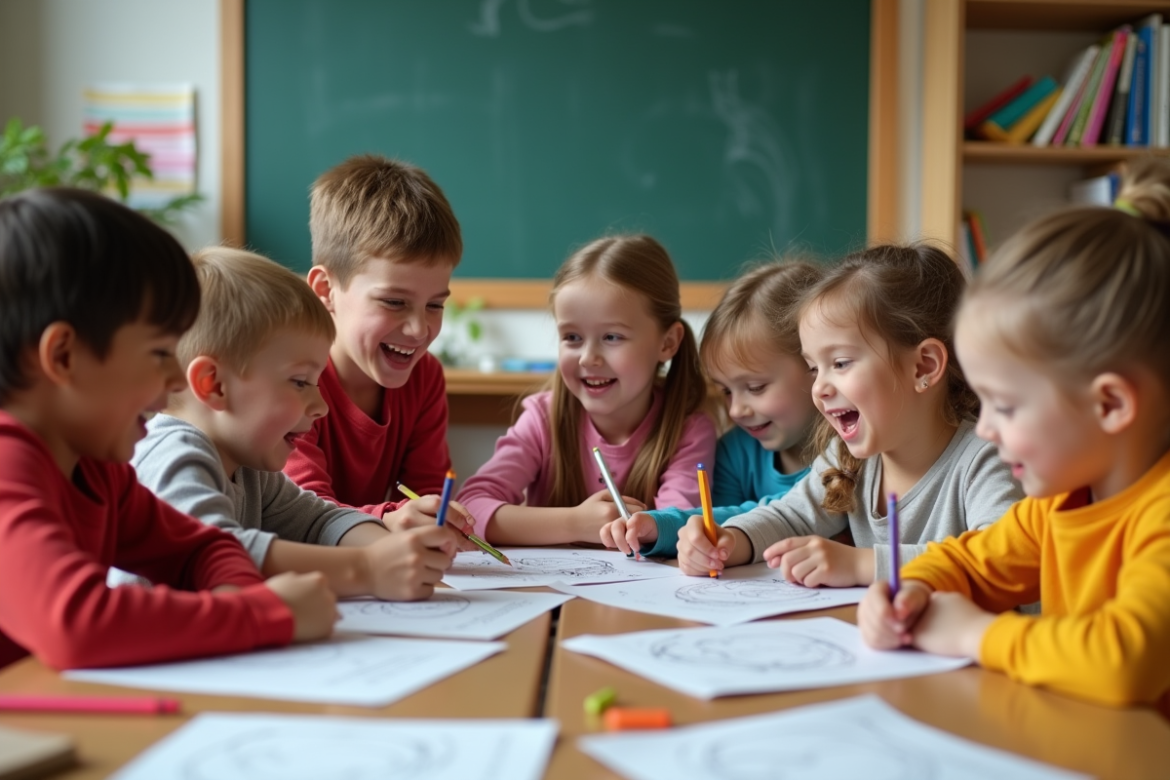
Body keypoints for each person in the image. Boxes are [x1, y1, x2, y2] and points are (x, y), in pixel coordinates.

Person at [859, 161, 1170, 715]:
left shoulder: (1160, 514)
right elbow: (969, 562)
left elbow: (1123, 660)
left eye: (1005, 405)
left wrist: (974, 636)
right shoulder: (1057, 503)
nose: (984, 427)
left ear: (1110, 404)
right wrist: (908, 590)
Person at [0, 189, 335, 670]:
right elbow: (78, 625)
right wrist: (262, 614)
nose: (178, 380)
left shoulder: (98, 471)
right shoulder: (8, 467)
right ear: (64, 357)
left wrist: (240, 603)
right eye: (160, 353)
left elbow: (203, 547)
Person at [126, 247, 460, 602]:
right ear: (214, 384)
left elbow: (319, 521)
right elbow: (212, 554)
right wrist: (366, 568)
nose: (320, 406)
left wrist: (397, 551)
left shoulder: (251, 469)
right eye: (301, 382)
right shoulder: (174, 453)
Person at [677, 244, 1022, 585]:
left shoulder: (987, 459)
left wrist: (863, 565)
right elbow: (791, 516)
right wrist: (728, 541)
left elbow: (997, 558)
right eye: (814, 369)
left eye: (840, 363)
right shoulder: (846, 461)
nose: (819, 388)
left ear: (923, 366)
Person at [458, 234, 717, 545]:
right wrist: (573, 523)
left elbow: (679, 528)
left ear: (667, 343)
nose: (587, 358)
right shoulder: (542, 419)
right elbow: (471, 509)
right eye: (572, 337)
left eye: (612, 337)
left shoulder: (689, 430)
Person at [286, 155, 473, 535]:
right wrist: (387, 518)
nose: (420, 328)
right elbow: (298, 512)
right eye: (394, 302)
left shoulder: (425, 377)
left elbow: (428, 494)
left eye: (435, 304)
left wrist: (438, 520)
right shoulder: (290, 378)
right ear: (326, 290)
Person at [601, 260, 823, 558]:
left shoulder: (852, 455)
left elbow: (787, 513)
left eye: (756, 387)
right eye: (726, 391)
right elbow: (719, 521)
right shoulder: (734, 451)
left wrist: (667, 524)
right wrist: (665, 529)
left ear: (816, 367)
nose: (736, 410)